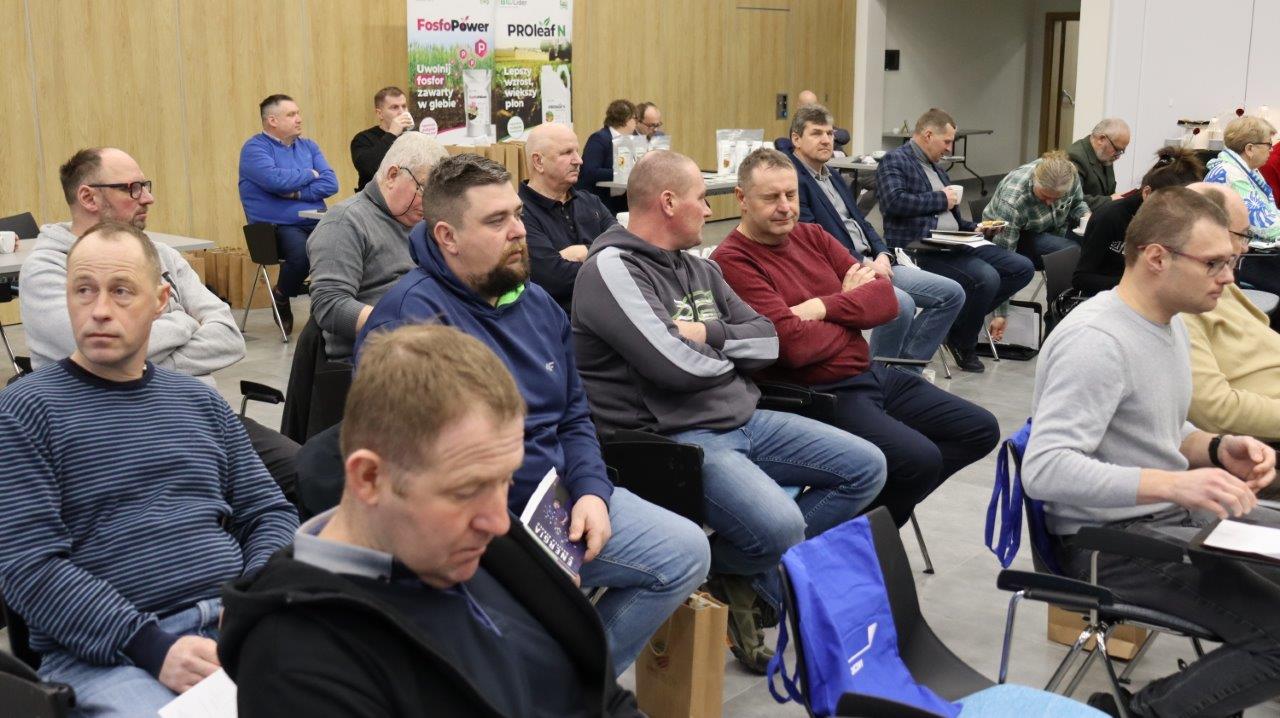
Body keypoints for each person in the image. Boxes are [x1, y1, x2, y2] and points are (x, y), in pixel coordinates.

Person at [355, 155, 709, 673]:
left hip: (560, 499)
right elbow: (413, 481)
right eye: (497, 220)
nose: (519, 231)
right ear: (448, 237)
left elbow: (573, 416)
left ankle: (568, 684)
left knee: (687, 552)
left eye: (518, 214)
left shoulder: (539, 304)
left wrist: (591, 491)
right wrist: (526, 555)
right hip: (479, 532)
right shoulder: (408, 325)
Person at [219, 324, 643, 717]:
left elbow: (602, 693)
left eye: (505, 480)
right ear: (369, 478)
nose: (499, 522)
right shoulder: (298, 663)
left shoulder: (477, 544)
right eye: (466, 490)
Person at [572, 149, 887, 673]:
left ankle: (731, 570)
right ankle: (733, 566)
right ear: (668, 202)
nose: (708, 209)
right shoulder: (611, 268)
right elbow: (672, 365)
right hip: (677, 437)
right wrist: (729, 358)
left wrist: (708, 335)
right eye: (702, 199)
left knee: (867, 467)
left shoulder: (699, 266)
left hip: (745, 418)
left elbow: (769, 341)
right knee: (781, 528)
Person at [0, 221, 298, 717]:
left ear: (161, 302)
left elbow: (268, 513)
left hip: (235, 623)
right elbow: (29, 567)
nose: (99, 309)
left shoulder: (199, 402)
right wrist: (153, 648)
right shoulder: (26, 412)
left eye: (121, 291)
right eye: (83, 290)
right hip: (110, 656)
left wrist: (252, 596)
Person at [1022, 186, 1280, 718]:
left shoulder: (1168, 322)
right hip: (1107, 545)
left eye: (1230, 261)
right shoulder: (1097, 341)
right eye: (1214, 264)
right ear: (1157, 258)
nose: (1229, 278)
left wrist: (1215, 448)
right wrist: (1176, 483)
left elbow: (1159, 426)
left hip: (1162, 523)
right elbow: (1045, 469)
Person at [712, 148, 999, 526]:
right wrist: (850, 311)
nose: (785, 207)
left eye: (791, 195)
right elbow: (792, 346)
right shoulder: (732, 261)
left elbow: (886, 301)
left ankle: (862, 525)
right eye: (771, 197)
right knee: (918, 460)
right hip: (816, 392)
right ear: (742, 198)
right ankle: (855, 537)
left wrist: (822, 307)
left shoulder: (812, 235)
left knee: (979, 429)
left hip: (866, 373)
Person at [20, 147, 301, 498]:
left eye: (145, 186)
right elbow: (97, 352)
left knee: (311, 474)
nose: (148, 198)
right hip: (114, 434)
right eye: (132, 188)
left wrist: (142, 361)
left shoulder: (162, 254)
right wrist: (184, 322)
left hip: (202, 415)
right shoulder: (46, 269)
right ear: (89, 197)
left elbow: (229, 336)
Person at [786, 105, 963, 363]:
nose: (826, 140)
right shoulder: (792, 181)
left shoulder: (832, 175)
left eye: (829, 133)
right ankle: (878, 375)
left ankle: (902, 373)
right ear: (796, 138)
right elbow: (812, 241)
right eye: (816, 133)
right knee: (900, 304)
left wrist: (882, 253)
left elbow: (863, 224)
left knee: (953, 294)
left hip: (875, 263)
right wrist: (863, 263)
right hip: (842, 269)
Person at [877, 108, 1034, 372]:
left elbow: (953, 218)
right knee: (986, 277)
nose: (949, 149)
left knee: (1021, 267)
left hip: (955, 241)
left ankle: (956, 325)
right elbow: (893, 203)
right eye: (947, 141)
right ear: (928, 135)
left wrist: (976, 228)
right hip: (920, 248)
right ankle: (963, 341)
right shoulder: (895, 161)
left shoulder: (938, 169)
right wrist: (941, 198)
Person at [307, 132, 448, 360]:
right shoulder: (345, 222)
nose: (430, 203)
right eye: (424, 189)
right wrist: (402, 328)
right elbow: (329, 304)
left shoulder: (423, 224)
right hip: (373, 360)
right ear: (392, 175)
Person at [1185, 183, 1280, 451]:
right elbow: (1215, 410)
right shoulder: (1180, 305)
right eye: (1242, 235)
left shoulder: (1218, 283)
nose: (1245, 248)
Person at [238, 93, 339, 334]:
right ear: (272, 120)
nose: (299, 119)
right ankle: (281, 295)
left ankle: (332, 307)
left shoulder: (309, 146)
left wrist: (296, 193)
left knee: (345, 247)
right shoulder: (255, 149)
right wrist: (310, 174)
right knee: (302, 255)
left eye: (298, 113)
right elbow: (275, 181)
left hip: (316, 219)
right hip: (276, 227)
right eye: (291, 114)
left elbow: (331, 183)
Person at [1073, 147, 1203, 295]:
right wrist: (1137, 284)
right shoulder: (1110, 217)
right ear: (1147, 193)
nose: (1175, 213)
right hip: (1110, 297)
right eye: (1169, 205)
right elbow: (1081, 279)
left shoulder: (1173, 220)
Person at [519, 123, 618, 313]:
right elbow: (555, 279)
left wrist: (583, 252)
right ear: (538, 161)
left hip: (607, 314)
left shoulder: (591, 202)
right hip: (558, 322)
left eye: (577, 151)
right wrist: (608, 259)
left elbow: (626, 249)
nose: (579, 160)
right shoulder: (519, 213)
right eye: (567, 153)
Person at [1205, 115, 1280, 295]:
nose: (1271, 150)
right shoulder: (1231, 175)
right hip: (1242, 260)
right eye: (1268, 145)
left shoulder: (1244, 171)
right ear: (1250, 149)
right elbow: (1265, 226)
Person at [983, 151, 1090, 271]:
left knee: (1094, 240)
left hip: (1054, 228)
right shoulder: (1014, 200)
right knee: (1069, 251)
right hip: (1015, 234)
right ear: (1034, 180)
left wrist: (1086, 216)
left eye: (1057, 198)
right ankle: (1067, 282)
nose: (1049, 202)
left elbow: (1077, 203)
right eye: (1044, 196)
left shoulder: (1069, 175)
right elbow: (1005, 250)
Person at [349, 86, 414, 192]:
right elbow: (369, 169)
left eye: (404, 106)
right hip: (374, 198)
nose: (401, 112)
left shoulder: (412, 138)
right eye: (394, 107)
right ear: (380, 114)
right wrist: (392, 134)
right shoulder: (363, 139)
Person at [576, 99, 636, 214]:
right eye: (634, 118)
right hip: (596, 202)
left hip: (618, 200)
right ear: (626, 119)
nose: (636, 123)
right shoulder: (599, 138)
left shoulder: (628, 141)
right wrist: (620, 174)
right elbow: (590, 171)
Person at [1066, 118, 1131, 211]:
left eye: (1121, 151)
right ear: (1101, 139)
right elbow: (1073, 200)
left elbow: (1109, 192)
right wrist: (1110, 200)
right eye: (1117, 149)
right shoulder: (1075, 157)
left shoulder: (1105, 155)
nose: (1118, 156)